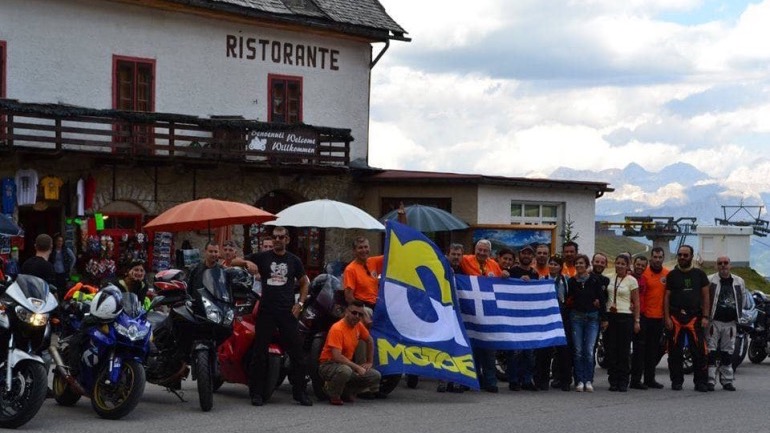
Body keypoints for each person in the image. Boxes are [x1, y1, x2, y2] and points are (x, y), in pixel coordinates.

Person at [233, 226, 312, 407]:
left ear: (287, 240)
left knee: (298, 354)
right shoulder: (263, 257)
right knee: (259, 354)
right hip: (266, 311)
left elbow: (304, 283)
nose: (278, 240)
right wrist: (246, 263)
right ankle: (257, 394)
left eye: (281, 237)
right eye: (275, 237)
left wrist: (300, 304)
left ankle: (300, 393)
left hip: (287, 312)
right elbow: (231, 262)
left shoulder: (294, 261)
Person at [461, 239, 507, 392]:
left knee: (488, 349)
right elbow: (451, 260)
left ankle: (490, 382)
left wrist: (506, 275)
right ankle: (471, 381)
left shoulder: (494, 265)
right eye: (479, 250)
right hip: (470, 311)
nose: (481, 253)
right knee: (472, 348)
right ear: (474, 249)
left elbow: (501, 283)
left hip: (488, 313)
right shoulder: (465, 260)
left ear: (489, 252)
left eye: (484, 251)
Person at [664, 245, 710, 392]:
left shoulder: (699, 274)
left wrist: (706, 316)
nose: (682, 257)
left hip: (695, 317)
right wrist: (667, 318)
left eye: (685, 255)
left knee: (699, 351)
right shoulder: (672, 275)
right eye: (680, 255)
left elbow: (706, 296)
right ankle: (676, 381)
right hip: (675, 317)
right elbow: (666, 297)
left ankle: (701, 382)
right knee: (674, 352)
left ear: (691, 256)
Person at [318, 300, 381, 405]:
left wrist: (369, 361)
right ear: (347, 311)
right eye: (354, 313)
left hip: (346, 365)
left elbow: (369, 340)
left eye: (360, 314)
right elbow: (337, 357)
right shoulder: (337, 328)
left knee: (375, 375)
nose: (357, 316)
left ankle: (346, 391)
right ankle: (332, 393)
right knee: (345, 371)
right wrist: (357, 367)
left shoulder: (358, 325)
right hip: (329, 364)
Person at [706, 256, 747, 391]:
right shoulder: (710, 279)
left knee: (728, 353)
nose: (723, 265)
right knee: (711, 351)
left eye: (725, 263)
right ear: (716, 266)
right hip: (714, 321)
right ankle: (710, 380)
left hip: (730, 322)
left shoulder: (739, 281)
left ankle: (727, 380)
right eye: (720, 263)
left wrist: (739, 316)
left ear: (730, 265)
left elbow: (743, 299)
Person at [566, 254, 606, 393]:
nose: (579, 265)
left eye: (581, 263)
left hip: (592, 318)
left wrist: (604, 318)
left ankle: (588, 380)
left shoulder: (594, 280)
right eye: (577, 263)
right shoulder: (571, 281)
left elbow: (601, 301)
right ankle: (579, 380)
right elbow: (569, 300)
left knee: (589, 351)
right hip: (576, 317)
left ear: (587, 264)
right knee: (578, 350)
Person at [631, 247, 669, 389]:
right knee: (640, 350)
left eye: (660, 257)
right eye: (655, 257)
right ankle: (635, 380)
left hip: (659, 318)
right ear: (651, 258)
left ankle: (649, 378)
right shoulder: (643, 273)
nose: (657, 260)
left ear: (663, 258)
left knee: (653, 351)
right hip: (644, 316)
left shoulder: (667, 274)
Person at [604, 254, 640, 392]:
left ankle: (624, 380)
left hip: (625, 317)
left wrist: (637, 321)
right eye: (617, 263)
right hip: (611, 316)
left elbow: (636, 302)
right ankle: (613, 380)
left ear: (627, 265)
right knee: (611, 350)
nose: (619, 266)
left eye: (622, 264)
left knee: (624, 351)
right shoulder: (610, 278)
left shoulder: (632, 280)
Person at [507, 244, 539, 391]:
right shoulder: (511, 271)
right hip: (514, 316)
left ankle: (527, 380)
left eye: (529, 254)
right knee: (514, 351)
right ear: (520, 255)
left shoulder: (535, 274)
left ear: (532, 257)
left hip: (529, 316)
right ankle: (513, 380)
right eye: (524, 253)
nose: (526, 256)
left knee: (529, 352)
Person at [538, 255, 572, 391]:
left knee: (563, 351)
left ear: (560, 267)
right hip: (546, 317)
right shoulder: (542, 280)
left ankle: (565, 381)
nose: (552, 266)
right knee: (544, 350)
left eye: (556, 264)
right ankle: (542, 381)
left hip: (562, 316)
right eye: (551, 264)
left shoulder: (566, 280)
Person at [436, 243, 467, 394]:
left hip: (458, 314)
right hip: (442, 313)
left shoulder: (463, 271)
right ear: (447, 254)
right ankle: (443, 379)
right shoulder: (439, 268)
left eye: (458, 254)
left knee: (458, 347)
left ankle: (456, 380)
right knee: (444, 346)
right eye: (453, 254)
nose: (455, 257)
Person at [342, 236, 383, 312]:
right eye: (360, 248)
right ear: (354, 251)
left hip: (376, 305)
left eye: (366, 247)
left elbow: (391, 257)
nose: (364, 250)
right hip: (363, 307)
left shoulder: (374, 261)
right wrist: (361, 311)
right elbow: (349, 297)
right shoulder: (350, 269)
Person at [629, 254, 649, 389]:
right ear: (633, 264)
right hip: (626, 315)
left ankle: (636, 380)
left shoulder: (644, 280)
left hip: (641, 316)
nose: (640, 267)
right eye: (638, 264)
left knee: (640, 349)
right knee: (624, 349)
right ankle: (622, 377)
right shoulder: (627, 278)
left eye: (643, 265)